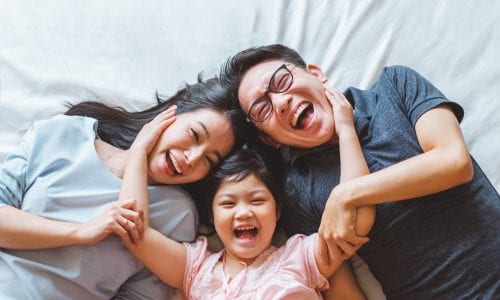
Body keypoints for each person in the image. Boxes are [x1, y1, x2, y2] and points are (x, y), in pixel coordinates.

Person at [220, 44, 500, 298]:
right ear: (270, 139)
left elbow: (454, 162)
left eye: (282, 81)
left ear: (317, 74)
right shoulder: (298, 192)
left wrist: (345, 194)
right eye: (262, 109)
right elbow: (341, 287)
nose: (280, 103)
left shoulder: (396, 86)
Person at [116, 86, 374, 298]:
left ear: (277, 211)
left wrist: (346, 131)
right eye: (228, 204)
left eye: (257, 200)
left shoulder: (300, 257)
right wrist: (138, 152)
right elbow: (134, 229)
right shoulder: (196, 268)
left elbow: (355, 217)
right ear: (212, 217)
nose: (244, 212)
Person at [0, 78, 247, 299]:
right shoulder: (65, 132)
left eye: (208, 160)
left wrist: (139, 154)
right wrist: (80, 232)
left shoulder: (176, 212)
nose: (192, 158)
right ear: (169, 114)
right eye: (194, 135)